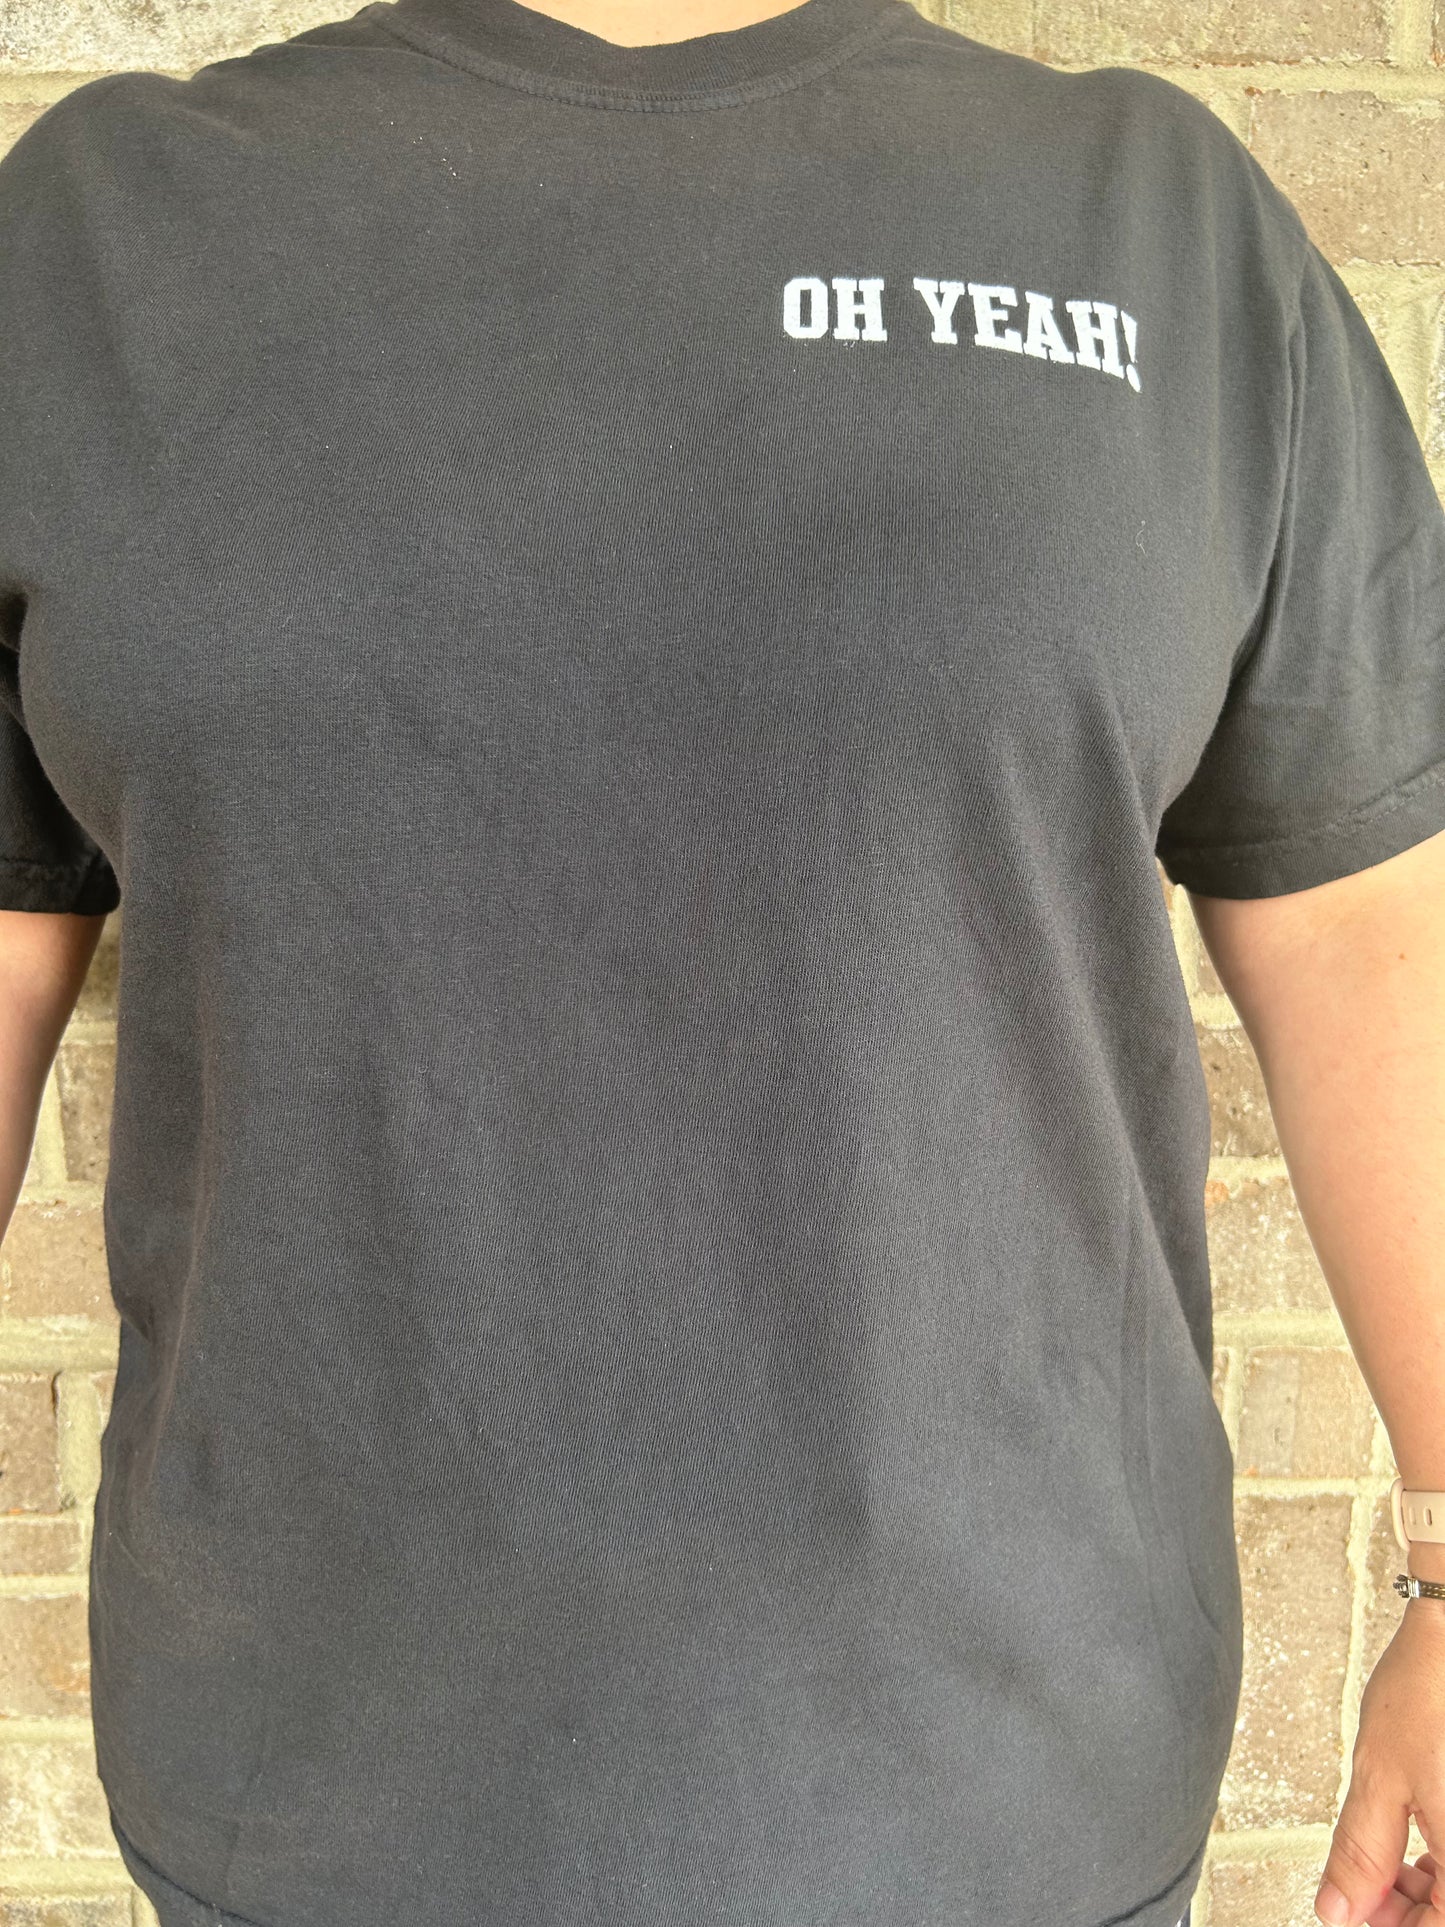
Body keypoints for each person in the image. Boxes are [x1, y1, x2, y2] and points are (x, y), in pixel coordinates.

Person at [2, 0, 1444, 1918]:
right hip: (308, 1791)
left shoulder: (1153, 223)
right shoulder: (95, 241)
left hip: (1011, 1794)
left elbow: (1367, 932)